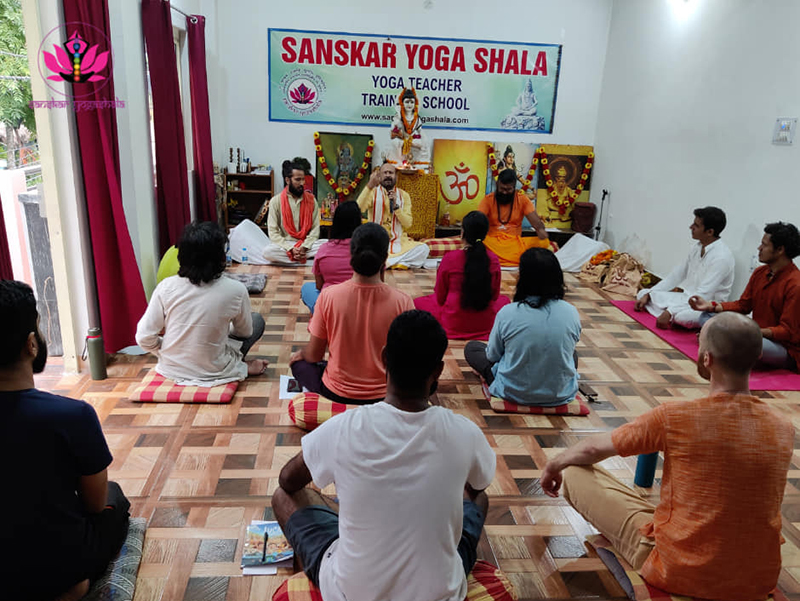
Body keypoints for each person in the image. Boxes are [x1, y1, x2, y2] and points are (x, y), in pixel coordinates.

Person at [539, 312, 794, 600]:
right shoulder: (783, 427)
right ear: (758, 355)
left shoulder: (676, 416)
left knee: (575, 470)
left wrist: (554, 464)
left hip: (677, 568)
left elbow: (592, 450)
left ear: (706, 359)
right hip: (756, 577)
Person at [273, 310, 496, 601]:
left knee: (282, 496)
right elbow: (478, 487)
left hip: (350, 593)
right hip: (442, 592)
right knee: (478, 496)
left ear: (383, 358)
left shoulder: (344, 427)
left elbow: (287, 480)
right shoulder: (465, 432)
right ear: (438, 371)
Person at [0, 280, 131, 601]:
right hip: (56, 569)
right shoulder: (72, 415)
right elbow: (94, 505)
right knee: (115, 499)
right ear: (31, 344)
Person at [289, 223, 414, 404]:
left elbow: (314, 355)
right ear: (385, 259)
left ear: (351, 255)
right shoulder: (403, 301)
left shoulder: (328, 296)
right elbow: (407, 358)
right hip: (385, 395)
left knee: (300, 364)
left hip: (337, 393)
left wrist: (302, 353)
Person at [136, 221, 267, 385]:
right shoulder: (236, 290)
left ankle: (200, 358)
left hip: (170, 368)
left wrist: (165, 350)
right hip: (216, 369)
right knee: (256, 320)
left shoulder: (165, 287)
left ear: (181, 256)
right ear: (220, 257)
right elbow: (244, 332)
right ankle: (242, 366)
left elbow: (143, 337)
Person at [464, 247, 580, 406]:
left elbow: (492, 356)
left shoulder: (508, 312)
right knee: (571, 354)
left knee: (472, 348)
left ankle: (494, 377)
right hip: (560, 393)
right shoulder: (571, 312)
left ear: (523, 278)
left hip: (512, 391)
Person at [690, 221, 800, 371]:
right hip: (756, 334)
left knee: (743, 340)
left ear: (780, 250)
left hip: (783, 348)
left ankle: (717, 341)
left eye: (764, 245)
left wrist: (751, 332)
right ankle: (720, 341)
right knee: (707, 316)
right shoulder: (760, 273)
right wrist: (711, 306)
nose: (759, 248)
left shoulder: (795, 284)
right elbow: (743, 305)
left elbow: (787, 332)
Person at [414, 211, 510, 339]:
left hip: (453, 323)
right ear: (485, 234)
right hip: (486, 324)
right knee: (505, 301)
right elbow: (495, 296)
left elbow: (440, 298)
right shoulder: (493, 259)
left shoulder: (450, 258)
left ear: (462, 233)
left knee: (417, 303)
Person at [635, 207, 735, 329]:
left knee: (681, 317)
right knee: (643, 293)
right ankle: (668, 313)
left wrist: (671, 311)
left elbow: (703, 295)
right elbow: (675, 277)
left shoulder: (722, 257)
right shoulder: (696, 247)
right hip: (686, 299)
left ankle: (670, 314)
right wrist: (649, 294)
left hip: (707, 307)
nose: (691, 227)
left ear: (709, 232)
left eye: (696, 226)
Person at [228, 160, 323, 265]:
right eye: (298, 180)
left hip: (306, 244)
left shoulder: (311, 200)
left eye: (303, 179)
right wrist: (290, 248)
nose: (302, 183)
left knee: (325, 244)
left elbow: (315, 230)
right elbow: (273, 232)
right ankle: (303, 260)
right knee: (268, 252)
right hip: (285, 245)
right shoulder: (276, 201)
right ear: (287, 180)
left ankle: (295, 258)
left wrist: (305, 247)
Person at [357, 161, 430, 269]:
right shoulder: (373, 193)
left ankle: (384, 262)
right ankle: (399, 262)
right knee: (363, 249)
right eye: (385, 173)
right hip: (376, 241)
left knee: (423, 249)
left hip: (399, 242)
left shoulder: (404, 195)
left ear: (396, 177)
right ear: (380, 176)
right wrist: (369, 186)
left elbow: (408, 224)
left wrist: (396, 207)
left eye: (390, 173)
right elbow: (358, 209)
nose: (388, 175)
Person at [477, 167, 550, 267]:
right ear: (497, 185)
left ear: (514, 187)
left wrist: (540, 230)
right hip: (493, 243)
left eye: (508, 189)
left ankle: (498, 258)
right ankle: (513, 259)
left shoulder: (522, 200)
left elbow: (536, 223)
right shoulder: (488, 200)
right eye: (502, 189)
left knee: (544, 242)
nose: (504, 192)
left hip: (515, 243)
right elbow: (478, 220)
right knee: (479, 242)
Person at [301, 201, 362, 314]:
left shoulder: (324, 250)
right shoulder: (369, 250)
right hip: (362, 306)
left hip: (331, 307)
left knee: (306, 288)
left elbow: (319, 286)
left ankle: (320, 315)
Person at [386, 87, 431, 170]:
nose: (409, 105)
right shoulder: (397, 117)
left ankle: (417, 163)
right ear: (402, 103)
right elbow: (393, 132)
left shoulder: (417, 118)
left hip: (412, 139)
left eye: (412, 102)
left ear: (415, 104)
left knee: (424, 142)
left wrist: (419, 140)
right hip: (401, 139)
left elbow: (419, 131)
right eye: (407, 102)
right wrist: (403, 137)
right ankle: (398, 162)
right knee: (395, 143)